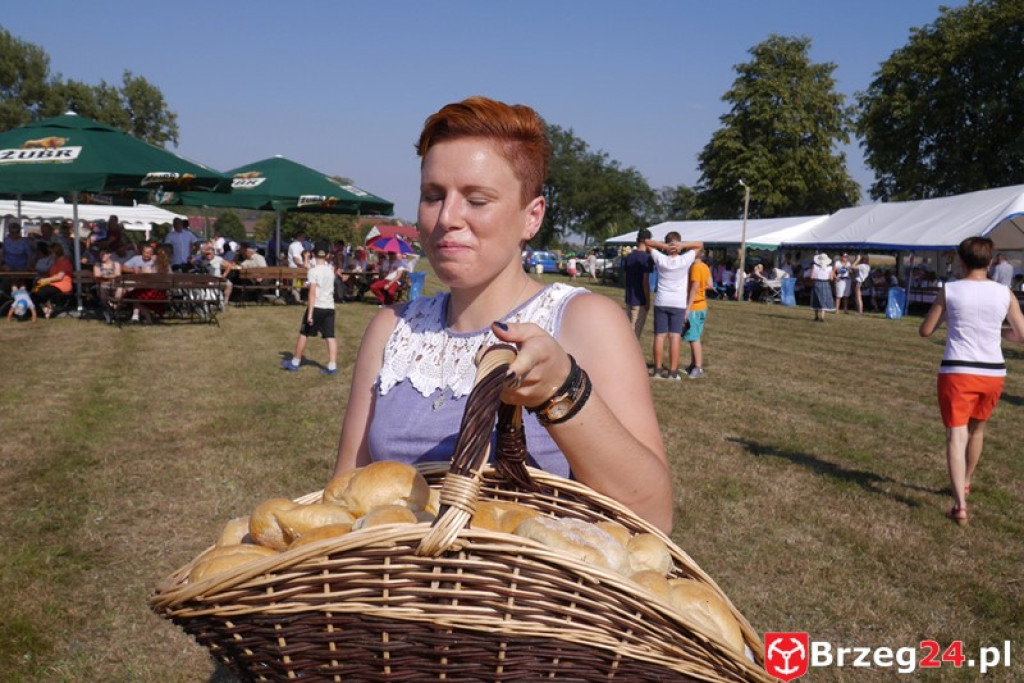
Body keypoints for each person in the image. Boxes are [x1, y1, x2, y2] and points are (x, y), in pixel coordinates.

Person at [330, 96, 671, 532]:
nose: (447, 217)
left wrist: (561, 391)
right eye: (433, 196)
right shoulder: (391, 329)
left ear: (532, 217)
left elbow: (653, 516)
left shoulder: (585, 321)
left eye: (476, 199)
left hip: (524, 594)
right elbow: (343, 499)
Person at [919, 236, 1024, 526]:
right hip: (992, 372)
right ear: (990, 262)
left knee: (956, 434)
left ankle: (960, 506)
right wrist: (995, 331)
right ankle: (965, 481)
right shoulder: (1005, 293)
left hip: (957, 370)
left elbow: (926, 330)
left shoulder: (950, 290)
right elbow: (1021, 335)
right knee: (977, 431)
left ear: (961, 262)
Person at [645, 231, 704, 381]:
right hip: (678, 303)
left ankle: (657, 370)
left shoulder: (660, 258)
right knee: (675, 337)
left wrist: (663, 246)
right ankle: (672, 372)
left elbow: (646, 242)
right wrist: (682, 245)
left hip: (661, 301)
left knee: (659, 336)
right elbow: (700, 245)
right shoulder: (685, 259)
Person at [281, 244, 339, 375]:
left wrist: (310, 313)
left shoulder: (312, 271)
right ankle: (332, 365)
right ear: (327, 256)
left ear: (313, 254)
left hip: (317, 306)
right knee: (330, 336)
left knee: (304, 333)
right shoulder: (330, 270)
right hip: (329, 307)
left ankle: (295, 362)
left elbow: (312, 293)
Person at [684, 249, 712, 378]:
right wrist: (702, 287)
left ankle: (698, 367)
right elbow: (710, 285)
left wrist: (687, 307)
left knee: (694, 338)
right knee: (693, 336)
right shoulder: (705, 266)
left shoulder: (695, 268)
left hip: (695, 306)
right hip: (703, 305)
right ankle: (693, 364)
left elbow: (695, 286)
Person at [622, 228, 653, 340]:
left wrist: (627, 291)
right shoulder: (647, 258)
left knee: (628, 330)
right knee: (635, 333)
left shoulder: (630, 256)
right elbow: (645, 281)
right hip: (640, 300)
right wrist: (648, 300)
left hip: (629, 298)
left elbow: (625, 277)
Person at [32, 242, 74, 319]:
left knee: (41, 292)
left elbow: (59, 277)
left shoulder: (65, 262)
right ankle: (46, 309)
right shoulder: (54, 262)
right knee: (35, 290)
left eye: (51, 253)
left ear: (55, 252)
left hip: (62, 285)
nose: (49, 255)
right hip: (53, 284)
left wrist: (45, 280)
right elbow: (51, 274)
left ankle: (47, 308)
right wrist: (41, 278)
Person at [92, 248, 123, 324]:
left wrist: (106, 276)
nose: (102, 256)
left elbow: (117, 275)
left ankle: (113, 305)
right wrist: (110, 277)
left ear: (109, 254)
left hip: (114, 285)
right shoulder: (97, 265)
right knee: (102, 288)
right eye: (101, 255)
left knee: (120, 288)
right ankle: (111, 311)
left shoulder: (116, 264)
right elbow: (97, 275)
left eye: (104, 254)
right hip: (102, 285)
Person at [809, 253, 835, 322]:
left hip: (817, 283)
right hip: (826, 283)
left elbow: (811, 277)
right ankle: (822, 317)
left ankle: (816, 316)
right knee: (824, 299)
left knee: (816, 299)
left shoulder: (814, 266)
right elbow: (831, 278)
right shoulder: (830, 268)